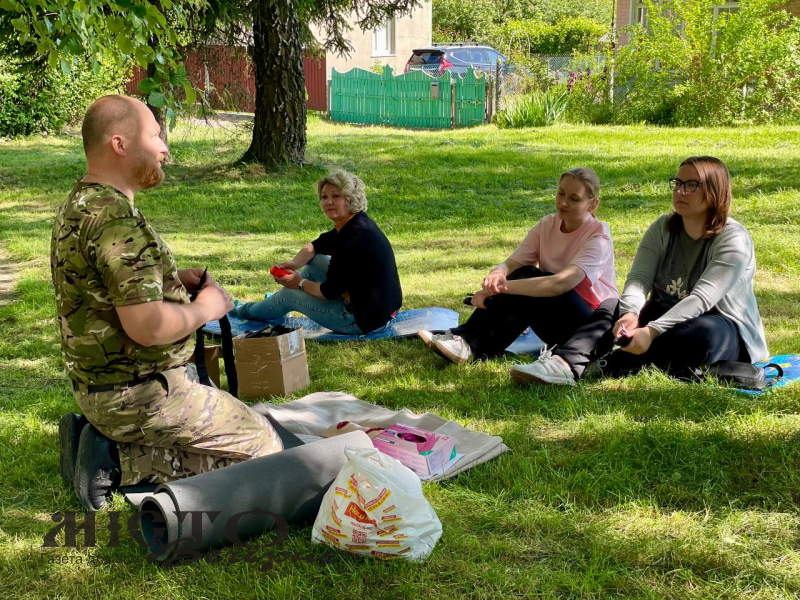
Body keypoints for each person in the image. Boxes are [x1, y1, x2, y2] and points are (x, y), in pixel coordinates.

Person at [51, 95, 283, 511]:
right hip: (143, 396)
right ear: (120, 145)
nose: (164, 148)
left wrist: (173, 279)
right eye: (155, 135)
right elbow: (149, 327)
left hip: (103, 388)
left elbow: (104, 288)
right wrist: (207, 308)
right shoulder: (116, 220)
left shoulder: (81, 204)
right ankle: (116, 462)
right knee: (267, 449)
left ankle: (101, 438)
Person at [511, 156, 768, 386]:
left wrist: (651, 331)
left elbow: (702, 299)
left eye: (691, 185)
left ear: (714, 191)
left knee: (702, 335)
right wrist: (631, 314)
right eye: (677, 183)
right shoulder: (663, 228)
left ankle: (614, 363)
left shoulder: (733, 239)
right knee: (613, 305)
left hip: (719, 324)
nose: (680, 190)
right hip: (663, 315)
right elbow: (638, 280)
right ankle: (565, 364)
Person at [418, 167, 618, 363]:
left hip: (590, 329)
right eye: (560, 193)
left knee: (530, 277)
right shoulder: (547, 224)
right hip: (554, 314)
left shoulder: (598, 237)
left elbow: (558, 285)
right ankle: (469, 344)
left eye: (574, 199)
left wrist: (498, 290)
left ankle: (467, 342)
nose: (563, 202)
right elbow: (514, 262)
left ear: (593, 205)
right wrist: (498, 273)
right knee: (526, 274)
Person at [230, 170, 403, 335]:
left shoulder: (350, 240)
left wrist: (298, 283)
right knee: (314, 261)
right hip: (383, 311)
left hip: (363, 321)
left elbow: (329, 292)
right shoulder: (357, 222)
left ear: (350, 199)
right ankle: (272, 307)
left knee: (287, 296)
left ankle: (243, 310)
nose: (329, 202)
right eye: (324, 197)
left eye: (336, 196)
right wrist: (295, 264)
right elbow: (315, 246)